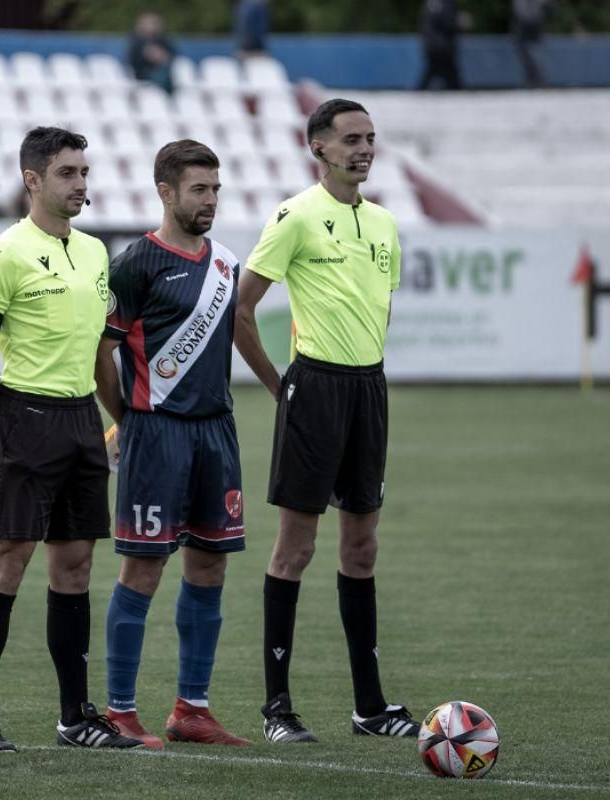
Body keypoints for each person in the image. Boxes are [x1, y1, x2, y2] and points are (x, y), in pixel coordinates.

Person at [233, 98, 418, 744]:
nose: (363, 149)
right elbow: (242, 308)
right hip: (312, 389)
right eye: (350, 140)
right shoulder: (295, 217)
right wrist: (279, 386)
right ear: (319, 149)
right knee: (297, 547)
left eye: (370, 138)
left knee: (362, 547)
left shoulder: (388, 225)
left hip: (370, 390)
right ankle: (277, 709)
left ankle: (370, 707)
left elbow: (383, 311)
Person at [0, 126, 142, 752]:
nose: (81, 184)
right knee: (8, 563)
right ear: (33, 180)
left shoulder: (94, 253)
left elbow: (98, 355)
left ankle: (74, 717)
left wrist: (123, 417)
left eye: (84, 172)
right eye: (67, 173)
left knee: (76, 565)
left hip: (81, 423)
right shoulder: (5, 253)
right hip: (24, 420)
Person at [95, 139, 253, 750]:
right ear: (165, 191)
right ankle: (120, 711)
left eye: (215, 189)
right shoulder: (135, 263)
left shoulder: (226, 264)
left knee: (210, 565)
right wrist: (129, 417)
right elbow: (100, 356)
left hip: (217, 431)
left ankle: (193, 709)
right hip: (155, 435)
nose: (210, 200)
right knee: (144, 567)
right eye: (198, 190)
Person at [417, 0, 463, 90]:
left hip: (430, 44)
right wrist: (460, 24)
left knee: (434, 71)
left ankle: (418, 92)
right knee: (450, 74)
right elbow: (448, 23)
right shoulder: (446, 2)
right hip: (442, 46)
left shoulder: (429, 2)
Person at [127, 9, 175, 94]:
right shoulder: (137, 41)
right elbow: (151, 55)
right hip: (143, 77)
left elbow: (171, 56)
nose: (153, 26)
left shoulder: (163, 40)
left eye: (156, 23)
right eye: (150, 22)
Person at [512, 0, 550, 88]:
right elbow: (522, 14)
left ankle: (539, 81)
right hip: (523, 31)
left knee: (534, 56)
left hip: (532, 31)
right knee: (527, 57)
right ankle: (532, 81)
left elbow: (545, 12)